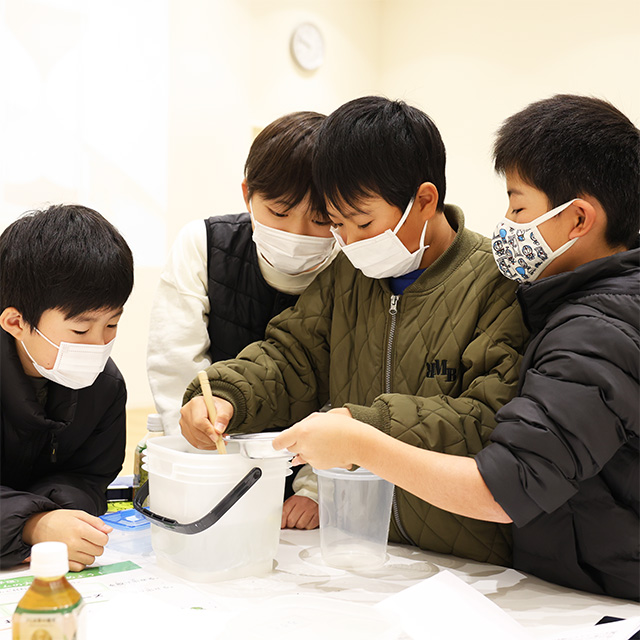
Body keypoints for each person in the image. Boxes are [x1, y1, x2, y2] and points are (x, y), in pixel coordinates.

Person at [273, 95, 640, 601]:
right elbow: (291, 352)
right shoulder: (576, 306)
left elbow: (506, 486)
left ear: (578, 219)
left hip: (601, 594)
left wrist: (360, 441)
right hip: (563, 581)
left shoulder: (596, 331)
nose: (508, 224)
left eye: (518, 207)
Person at [180, 96, 528, 566]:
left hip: (468, 557)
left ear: (425, 201)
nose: (350, 242)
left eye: (364, 222)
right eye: (336, 224)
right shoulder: (348, 275)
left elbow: (486, 419)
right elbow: (291, 356)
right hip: (359, 545)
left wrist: (362, 428)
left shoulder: (494, 281)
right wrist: (227, 395)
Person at [147, 111, 337, 530]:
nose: (298, 233)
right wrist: (201, 450)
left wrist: (316, 488)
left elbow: (349, 387)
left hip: (315, 478)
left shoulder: (352, 269)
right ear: (248, 194)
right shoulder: (204, 244)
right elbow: (175, 365)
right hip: (213, 467)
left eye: (322, 220)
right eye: (279, 212)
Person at [0, 204, 134, 571]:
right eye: (80, 329)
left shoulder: (105, 387)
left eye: (112, 325)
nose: (99, 344)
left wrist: (60, 515)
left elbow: (91, 477)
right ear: (15, 322)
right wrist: (33, 524)